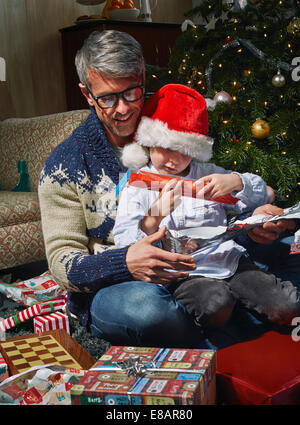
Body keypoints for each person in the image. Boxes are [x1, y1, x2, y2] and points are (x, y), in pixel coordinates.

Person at [38, 30, 299, 349]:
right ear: (87, 94)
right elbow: (62, 263)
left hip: (211, 259)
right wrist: (125, 262)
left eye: (132, 92)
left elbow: (234, 198)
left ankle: (226, 324)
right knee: (145, 309)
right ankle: (221, 343)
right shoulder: (66, 164)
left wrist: (257, 216)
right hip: (126, 283)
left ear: (143, 78)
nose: (122, 109)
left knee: (289, 251)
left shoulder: (176, 117)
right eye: (107, 98)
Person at [113, 83, 300, 331]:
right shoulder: (138, 184)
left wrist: (235, 181)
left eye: (185, 151)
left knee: (287, 305)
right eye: (166, 148)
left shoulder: (209, 174)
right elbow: (125, 243)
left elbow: (261, 194)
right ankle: (230, 313)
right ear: (149, 142)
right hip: (186, 272)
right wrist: (155, 215)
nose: (173, 160)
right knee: (216, 304)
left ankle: (246, 304)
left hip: (231, 262)